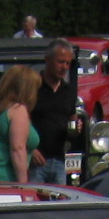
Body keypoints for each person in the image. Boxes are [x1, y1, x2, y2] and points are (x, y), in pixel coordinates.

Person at [28, 40, 79, 183]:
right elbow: (20, 121)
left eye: (68, 63)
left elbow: (72, 117)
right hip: (36, 161)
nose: (64, 67)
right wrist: (30, 150)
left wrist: (75, 127)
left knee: (60, 204)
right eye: (60, 62)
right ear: (47, 60)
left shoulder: (69, 91)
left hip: (59, 161)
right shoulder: (33, 87)